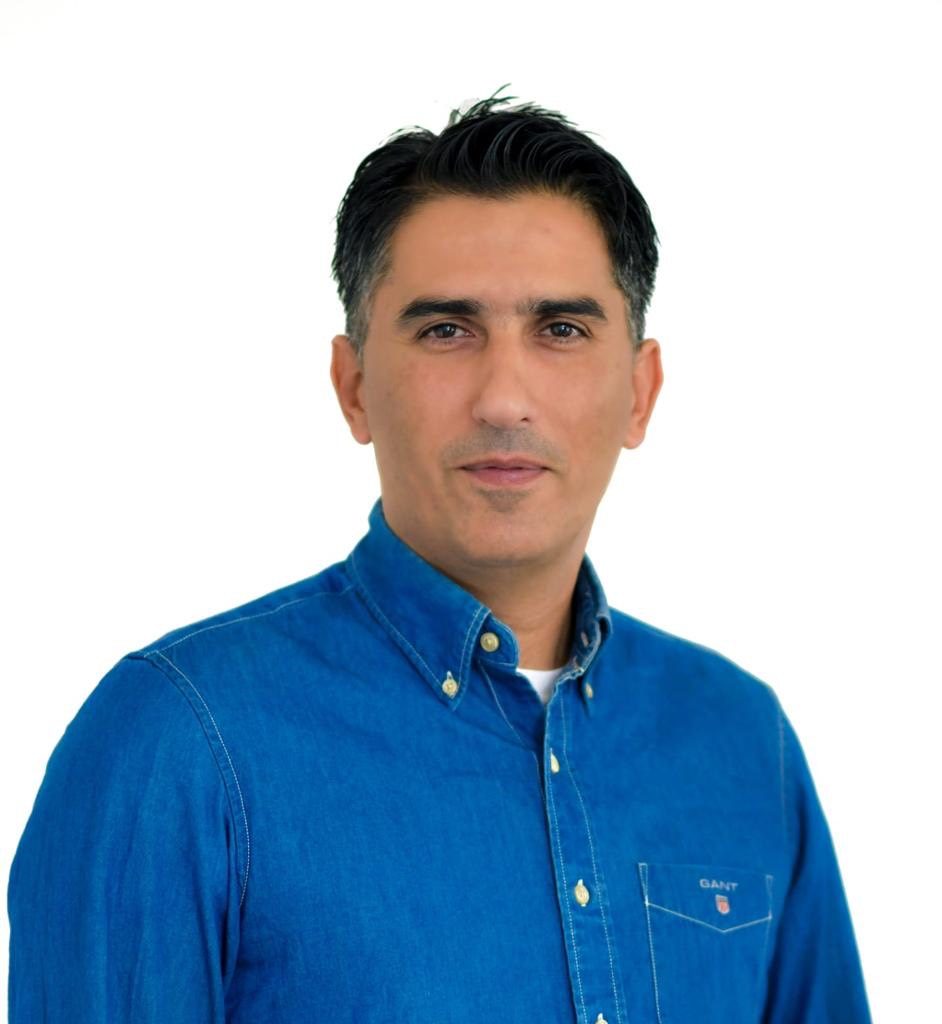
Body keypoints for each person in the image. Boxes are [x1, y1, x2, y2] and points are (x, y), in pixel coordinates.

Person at [7, 86, 871, 1023]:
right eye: (446, 330)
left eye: (562, 330)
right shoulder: (176, 742)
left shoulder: (740, 739)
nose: (504, 397)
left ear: (639, 391)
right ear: (354, 387)